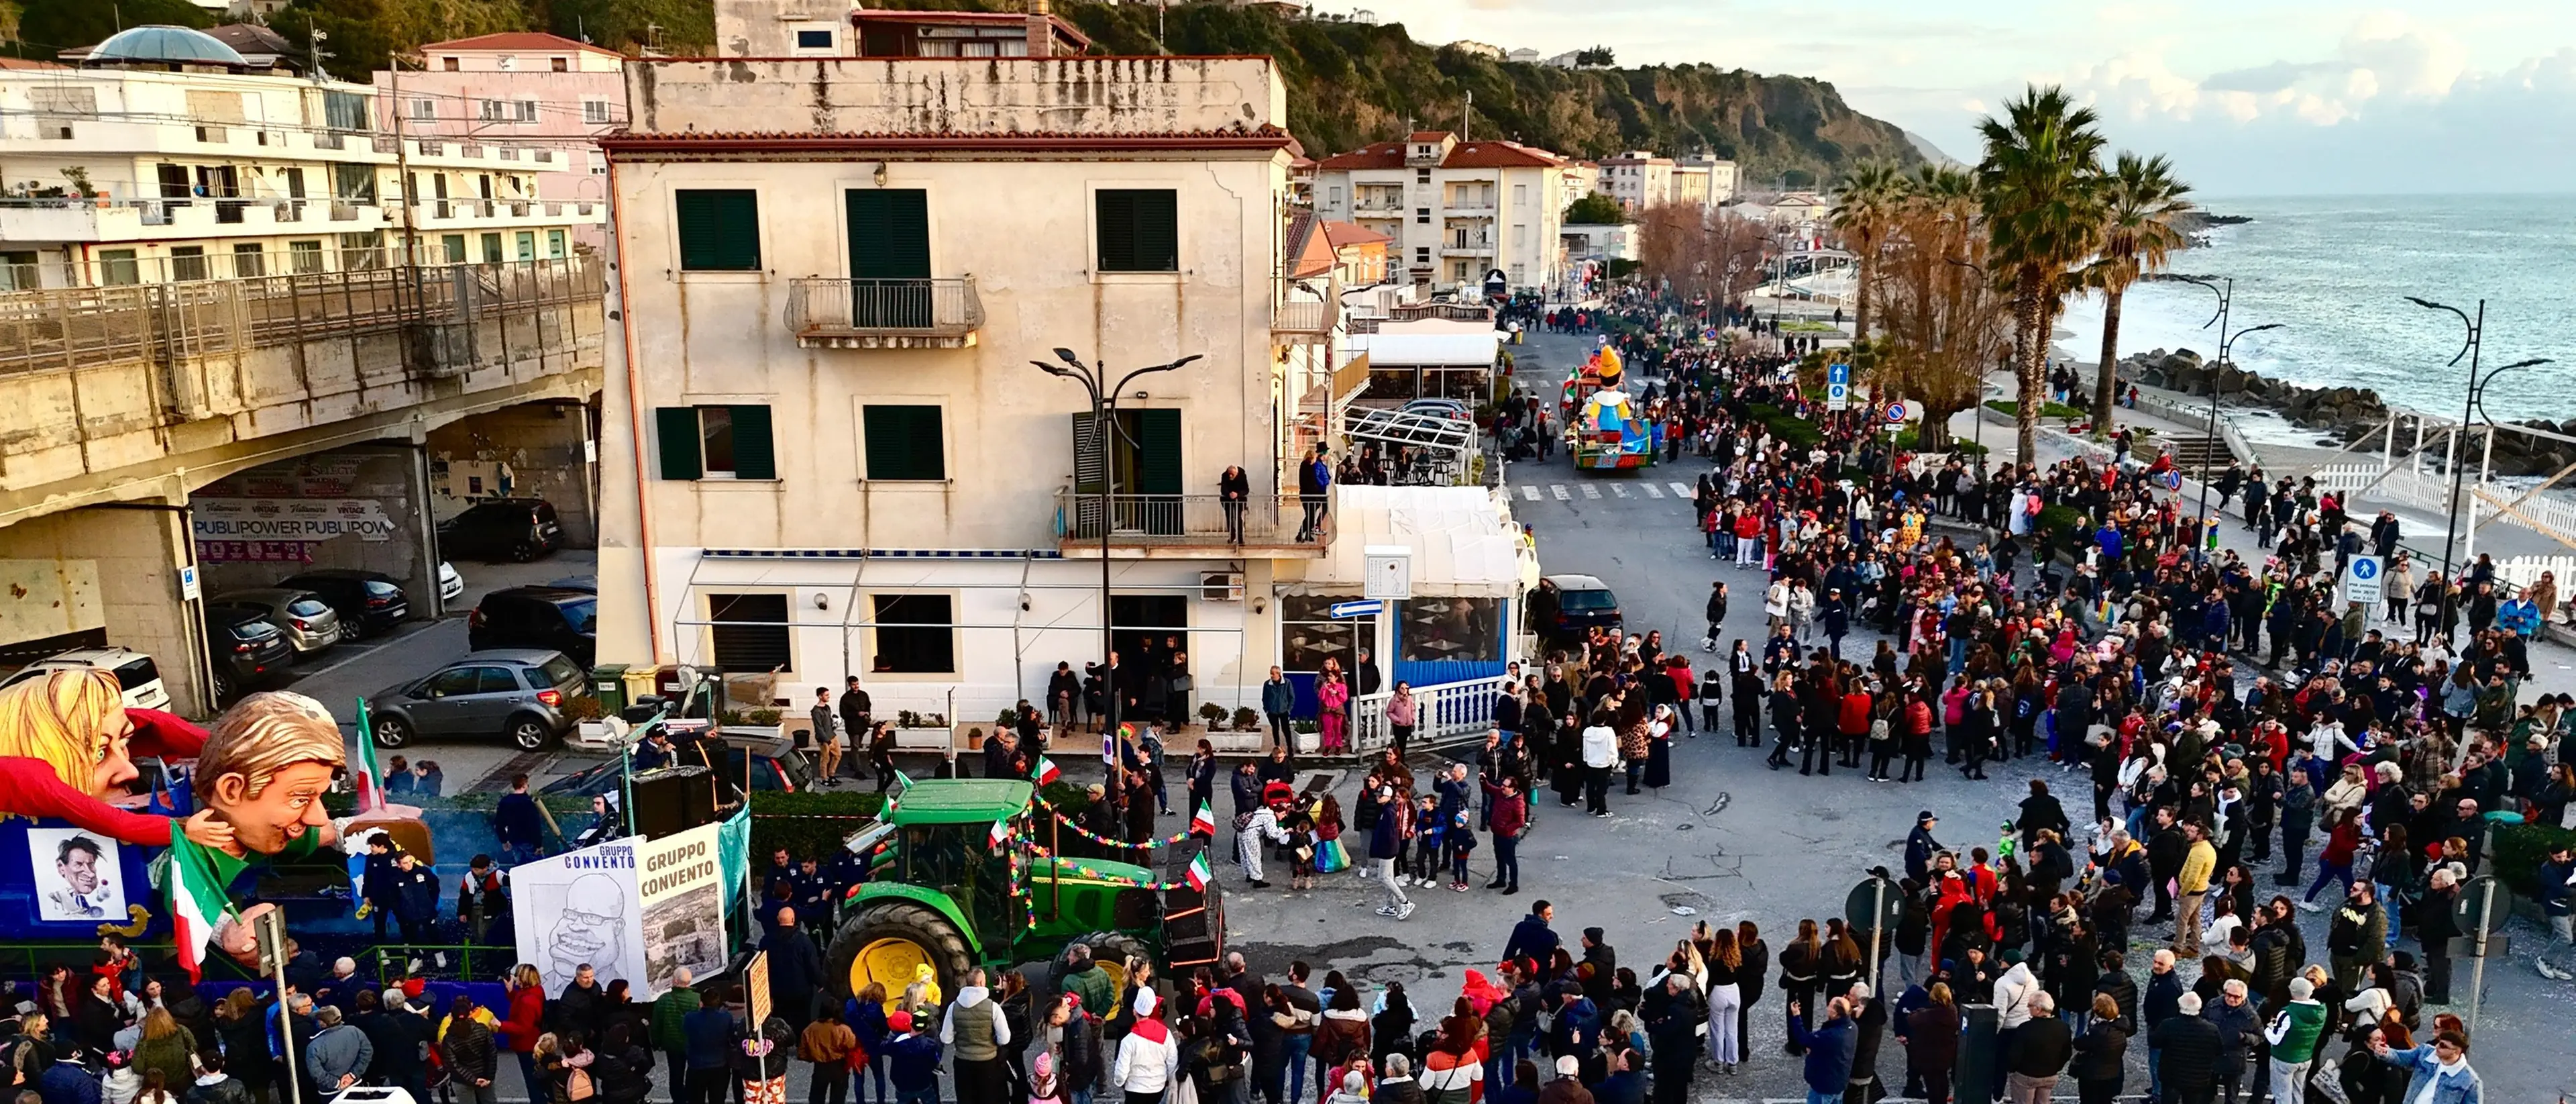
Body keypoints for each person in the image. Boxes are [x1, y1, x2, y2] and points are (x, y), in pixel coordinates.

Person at [943, 967, 1014, 1104]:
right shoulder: (993, 1007)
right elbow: (1005, 1039)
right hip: (988, 1062)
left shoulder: (954, 1007)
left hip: (963, 1061)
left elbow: (946, 1038)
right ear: (981, 983)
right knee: (988, 1098)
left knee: (966, 1099)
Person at [1785, 997, 1854, 1104]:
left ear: (1835, 1014)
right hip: (1840, 1081)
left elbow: (1803, 1038)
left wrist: (1796, 1016)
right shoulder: (1853, 1028)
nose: (1827, 1008)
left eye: (1830, 1006)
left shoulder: (1829, 1036)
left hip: (1824, 1085)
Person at [800, 1007, 857, 1104]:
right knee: (838, 1097)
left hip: (820, 1067)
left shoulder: (811, 1029)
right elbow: (853, 1047)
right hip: (840, 1066)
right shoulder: (844, 1030)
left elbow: (803, 1052)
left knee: (817, 1097)